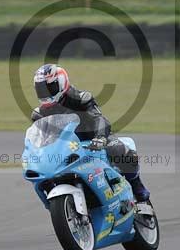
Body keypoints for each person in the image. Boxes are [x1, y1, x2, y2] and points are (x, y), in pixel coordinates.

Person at [31, 63, 150, 202]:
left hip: (93, 141)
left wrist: (100, 137)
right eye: (41, 89)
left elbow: (98, 118)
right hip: (66, 150)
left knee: (119, 149)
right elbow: (41, 138)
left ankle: (138, 188)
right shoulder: (39, 114)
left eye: (49, 87)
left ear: (61, 83)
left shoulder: (81, 98)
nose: (45, 93)